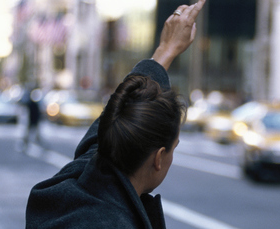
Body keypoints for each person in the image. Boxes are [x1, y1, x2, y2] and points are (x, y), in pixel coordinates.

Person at [25, 1, 205, 228]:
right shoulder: (114, 222)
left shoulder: (72, 188)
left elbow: (101, 136)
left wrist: (165, 51)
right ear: (158, 158)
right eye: (174, 147)